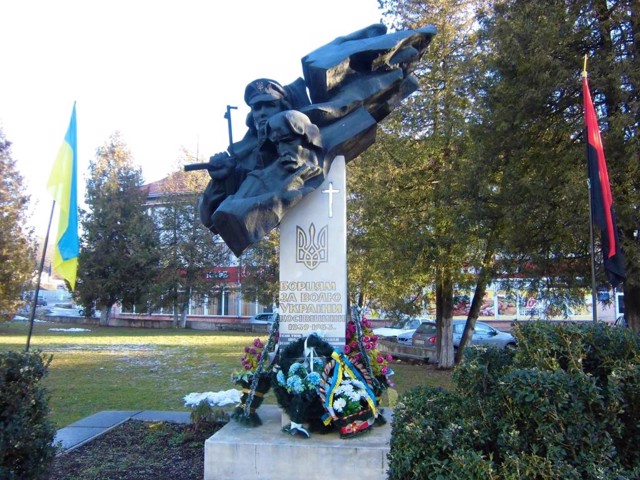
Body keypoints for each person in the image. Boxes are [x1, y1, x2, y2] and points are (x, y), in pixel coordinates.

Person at [210, 110, 324, 256]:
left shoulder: (322, 168)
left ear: (309, 138)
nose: (282, 150)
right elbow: (224, 215)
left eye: (288, 141)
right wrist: (280, 200)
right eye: (277, 144)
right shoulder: (262, 177)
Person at [198, 78, 296, 235]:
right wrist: (220, 182)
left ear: (284, 108)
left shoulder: (303, 144)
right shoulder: (244, 161)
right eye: (257, 107)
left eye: (270, 105)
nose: (262, 112)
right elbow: (211, 220)